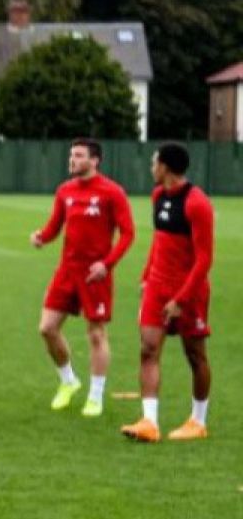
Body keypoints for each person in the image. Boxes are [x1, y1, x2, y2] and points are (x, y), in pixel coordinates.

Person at [30, 139, 134, 418]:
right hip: (66, 270)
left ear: (95, 160)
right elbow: (54, 227)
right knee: (47, 328)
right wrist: (41, 237)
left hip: (95, 274)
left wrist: (107, 264)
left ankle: (95, 396)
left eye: (78, 155)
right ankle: (68, 381)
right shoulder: (65, 190)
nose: (72, 160)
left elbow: (128, 234)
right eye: (71, 155)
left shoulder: (112, 192)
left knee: (96, 334)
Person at [121, 143, 214, 442]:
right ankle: (149, 422)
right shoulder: (158, 195)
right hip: (158, 287)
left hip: (189, 291)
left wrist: (181, 299)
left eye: (154, 163)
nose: (151, 168)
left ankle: (198, 421)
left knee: (195, 355)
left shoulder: (197, 203)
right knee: (148, 349)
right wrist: (147, 276)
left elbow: (204, 260)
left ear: (166, 167)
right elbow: (160, 240)